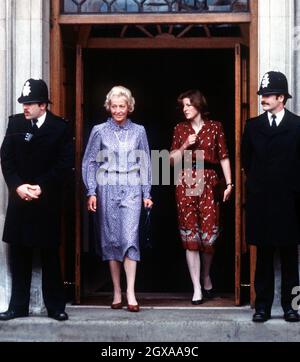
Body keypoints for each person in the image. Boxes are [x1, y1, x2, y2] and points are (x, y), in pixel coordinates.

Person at [0, 78, 73, 321]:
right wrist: (17, 186)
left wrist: (41, 187)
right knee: (19, 255)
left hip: (46, 201)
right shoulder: (15, 123)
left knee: (50, 256)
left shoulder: (60, 128)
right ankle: (17, 307)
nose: (25, 108)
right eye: (24, 103)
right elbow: (6, 159)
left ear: (43, 105)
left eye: (30, 104)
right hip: (20, 199)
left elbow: (64, 165)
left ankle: (55, 307)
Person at [82, 85, 153, 312]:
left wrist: (146, 193)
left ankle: (131, 292)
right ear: (109, 107)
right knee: (111, 239)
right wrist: (91, 191)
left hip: (132, 186)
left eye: (122, 106)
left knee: (130, 238)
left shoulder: (139, 131)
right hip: (107, 186)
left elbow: (146, 163)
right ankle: (116, 292)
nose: (118, 110)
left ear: (129, 107)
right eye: (114, 106)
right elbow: (90, 162)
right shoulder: (99, 131)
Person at [242, 71, 300, 323]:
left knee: (290, 258)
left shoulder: (297, 125)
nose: (263, 99)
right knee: (263, 257)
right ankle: (262, 306)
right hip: (262, 202)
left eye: (268, 95)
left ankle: (292, 306)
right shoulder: (253, 126)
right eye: (262, 95)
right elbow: (246, 161)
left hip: (290, 203)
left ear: (281, 98)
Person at [170, 89, 233, 304]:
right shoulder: (179, 129)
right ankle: (196, 287)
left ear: (198, 105)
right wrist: (185, 144)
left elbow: (224, 156)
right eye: (183, 106)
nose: (185, 109)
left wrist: (230, 183)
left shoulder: (215, 127)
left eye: (188, 105)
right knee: (191, 237)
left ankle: (206, 275)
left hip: (209, 181)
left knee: (209, 238)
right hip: (185, 179)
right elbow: (170, 160)